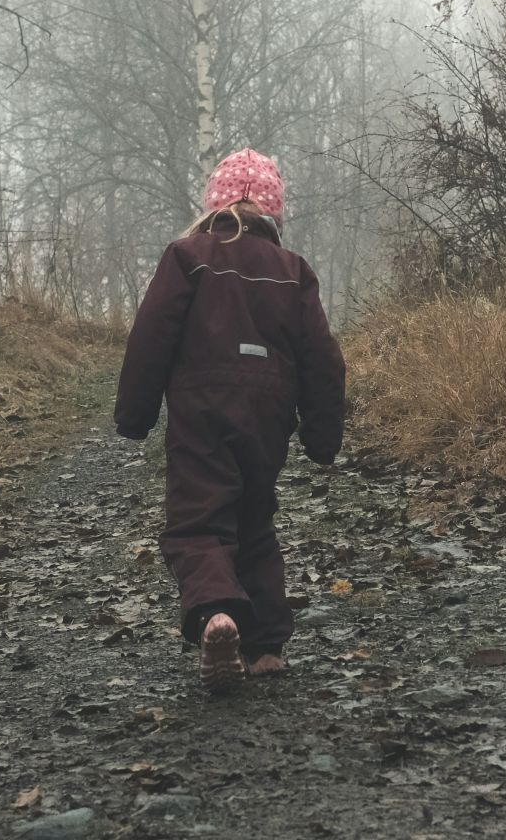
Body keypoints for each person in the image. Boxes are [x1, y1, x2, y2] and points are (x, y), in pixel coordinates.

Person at [114, 148, 347, 690]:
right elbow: (322, 358)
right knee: (255, 518)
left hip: (201, 405)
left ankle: (217, 613)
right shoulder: (293, 272)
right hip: (269, 412)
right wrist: (321, 434)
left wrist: (135, 413)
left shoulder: (187, 256)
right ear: (274, 213)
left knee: (199, 519)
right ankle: (265, 646)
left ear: (213, 206)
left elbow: (152, 337)